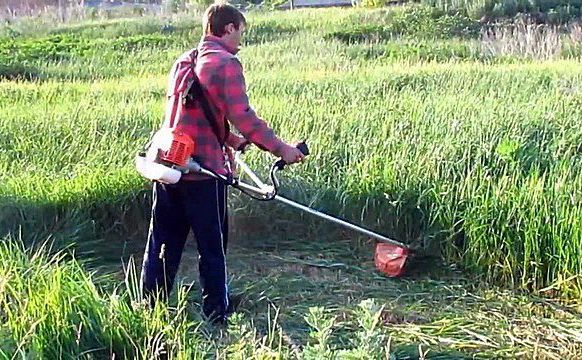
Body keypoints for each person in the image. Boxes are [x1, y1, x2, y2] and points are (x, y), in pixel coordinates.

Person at [140, 2, 305, 324]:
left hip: (169, 166)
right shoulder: (225, 63)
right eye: (240, 31)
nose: (241, 40)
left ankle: (149, 310)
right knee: (212, 248)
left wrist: (229, 140)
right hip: (204, 173)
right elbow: (244, 117)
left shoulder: (184, 62)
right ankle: (217, 314)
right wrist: (282, 149)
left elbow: (185, 117)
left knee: (162, 243)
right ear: (228, 28)